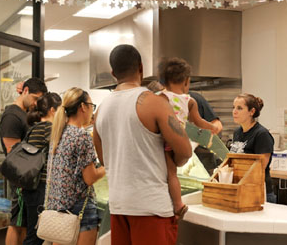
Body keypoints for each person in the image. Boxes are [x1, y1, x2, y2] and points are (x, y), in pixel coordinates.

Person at [93, 44, 192, 245]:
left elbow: (104, 159)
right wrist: (173, 163)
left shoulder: (100, 110)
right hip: (151, 207)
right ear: (141, 68)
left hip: (119, 206)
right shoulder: (153, 102)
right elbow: (185, 150)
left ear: (113, 73)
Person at [156, 57, 216, 218]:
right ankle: (178, 203)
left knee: (168, 173)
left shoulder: (160, 98)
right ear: (186, 81)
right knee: (173, 173)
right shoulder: (190, 101)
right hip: (179, 140)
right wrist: (213, 127)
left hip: (163, 140)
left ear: (163, 81)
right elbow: (199, 122)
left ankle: (177, 204)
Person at [45, 88, 105, 245]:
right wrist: (108, 167)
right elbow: (90, 178)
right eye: (92, 105)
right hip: (80, 209)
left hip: (59, 209)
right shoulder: (82, 136)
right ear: (83, 107)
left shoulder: (59, 133)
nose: (92, 110)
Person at [2, 77, 47, 245]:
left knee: (24, 224)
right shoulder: (12, 116)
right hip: (21, 180)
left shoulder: (24, 114)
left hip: (28, 181)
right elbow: (13, 153)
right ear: (25, 91)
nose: (36, 103)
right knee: (16, 224)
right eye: (35, 98)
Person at [19, 92, 61, 245]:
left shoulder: (33, 128)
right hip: (40, 188)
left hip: (31, 188)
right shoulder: (48, 128)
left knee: (34, 233)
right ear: (52, 110)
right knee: (37, 236)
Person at [228, 93, 275, 202]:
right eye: (233, 107)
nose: (234, 111)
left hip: (259, 192)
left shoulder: (261, 134)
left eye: (239, 108)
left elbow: (261, 166)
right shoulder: (237, 133)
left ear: (252, 112)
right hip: (242, 188)